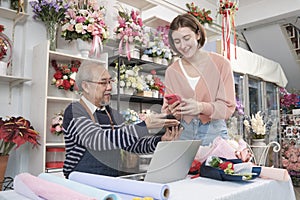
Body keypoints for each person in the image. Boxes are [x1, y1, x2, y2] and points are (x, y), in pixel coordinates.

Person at [62, 61, 181, 178]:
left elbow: (133, 145)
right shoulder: (75, 111)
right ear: (86, 86)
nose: (109, 87)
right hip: (81, 182)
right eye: (103, 83)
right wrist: (144, 126)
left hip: (110, 179)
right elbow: (96, 140)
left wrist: (160, 141)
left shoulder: (113, 114)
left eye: (110, 81)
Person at [162, 13, 236, 145]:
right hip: (184, 135)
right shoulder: (172, 71)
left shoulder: (221, 64)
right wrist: (174, 111)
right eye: (177, 41)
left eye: (186, 38)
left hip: (214, 133)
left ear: (198, 35)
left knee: (216, 166)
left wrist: (201, 107)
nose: (183, 45)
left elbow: (228, 108)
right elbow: (167, 110)